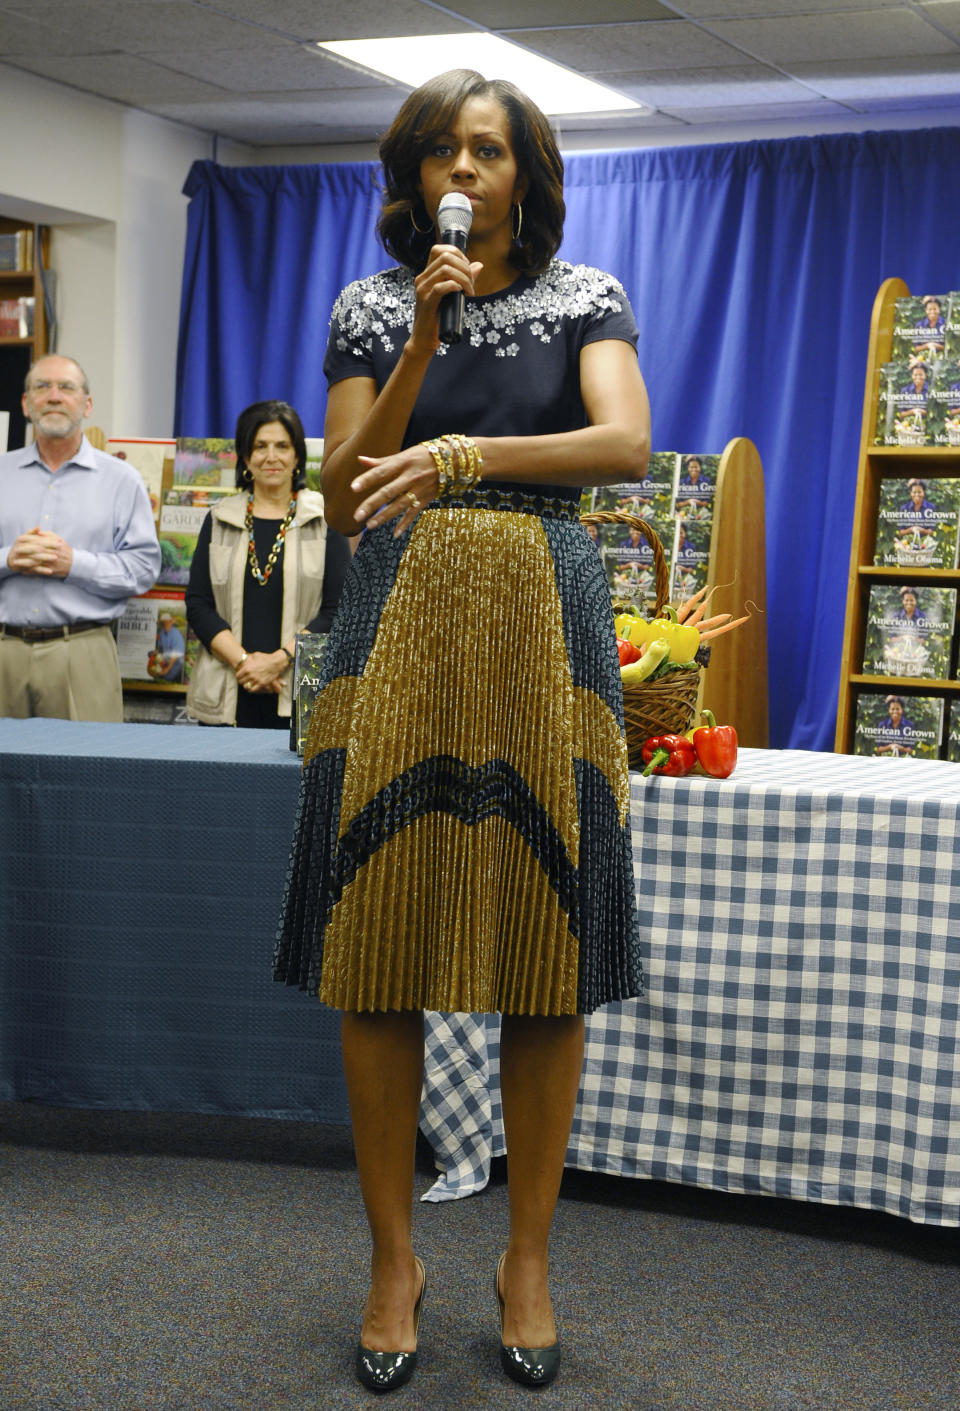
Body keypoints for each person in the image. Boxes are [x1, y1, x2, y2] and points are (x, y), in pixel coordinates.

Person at [273, 69, 650, 1392]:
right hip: (391, 622)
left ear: (526, 173)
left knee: (546, 944)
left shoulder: (583, 295)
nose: (464, 167)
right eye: (443, 147)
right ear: (414, 171)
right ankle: (395, 1256)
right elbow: (336, 480)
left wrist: (464, 458)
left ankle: (527, 1256)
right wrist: (422, 347)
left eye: (487, 148)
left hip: (544, 629)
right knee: (379, 940)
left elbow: (625, 443)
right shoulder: (373, 306)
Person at [0, 354, 161, 721]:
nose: (54, 396)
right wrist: (8, 559)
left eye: (66, 387)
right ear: (26, 404)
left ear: (86, 405)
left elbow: (143, 569)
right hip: (4, 651)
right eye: (42, 387)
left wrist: (73, 564)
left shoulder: (122, 480)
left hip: (84, 651)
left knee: (88, 775)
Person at [185, 399, 352, 729]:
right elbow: (198, 604)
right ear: (246, 457)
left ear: (296, 457)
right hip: (228, 690)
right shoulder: (219, 518)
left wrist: (278, 661)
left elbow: (337, 610)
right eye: (260, 446)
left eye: (282, 446)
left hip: (297, 692)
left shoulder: (323, 519)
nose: (271, 456)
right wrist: (246, 663)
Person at [148, 610, 185, 683]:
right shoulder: (162, 632)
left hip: (176, 664)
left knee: (167, 679)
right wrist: (154, 652)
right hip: (165, 662)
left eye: (166, 622)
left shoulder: (176, 635)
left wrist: (167, 669)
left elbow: (175, 655)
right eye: (163, 622)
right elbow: (161, 648)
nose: (165, 624)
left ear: (170, 622)